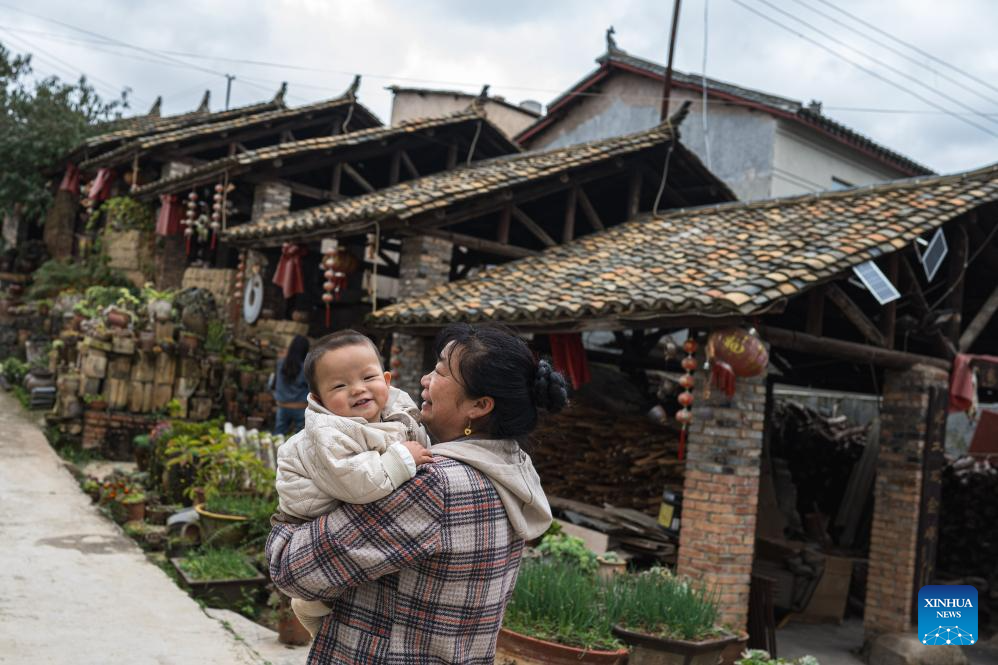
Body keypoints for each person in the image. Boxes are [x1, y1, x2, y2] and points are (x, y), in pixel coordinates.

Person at [267, 323, 567, 664]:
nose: (425, 380)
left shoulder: (433, 486)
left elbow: (292, 570)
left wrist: (286, 524)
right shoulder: (510, 472)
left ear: (479, 405)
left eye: (439, 372)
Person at [274, 329, 434, 635]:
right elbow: (359, 484)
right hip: (309, 514)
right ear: (319, 399)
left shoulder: (395, 411)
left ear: (387, 380)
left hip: (342, 501)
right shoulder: (327, 433)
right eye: (340, 385)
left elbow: (412, 435)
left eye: (368, 377)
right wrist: (403, 458)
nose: (357, 390)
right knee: (329, 584)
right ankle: (309, 605)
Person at [273, 335, 311, 435]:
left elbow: (274, 383)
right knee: (300, 439)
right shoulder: (305, 368)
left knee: (278, 436)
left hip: (282, 405)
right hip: (300, 407)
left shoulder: (280, 363)